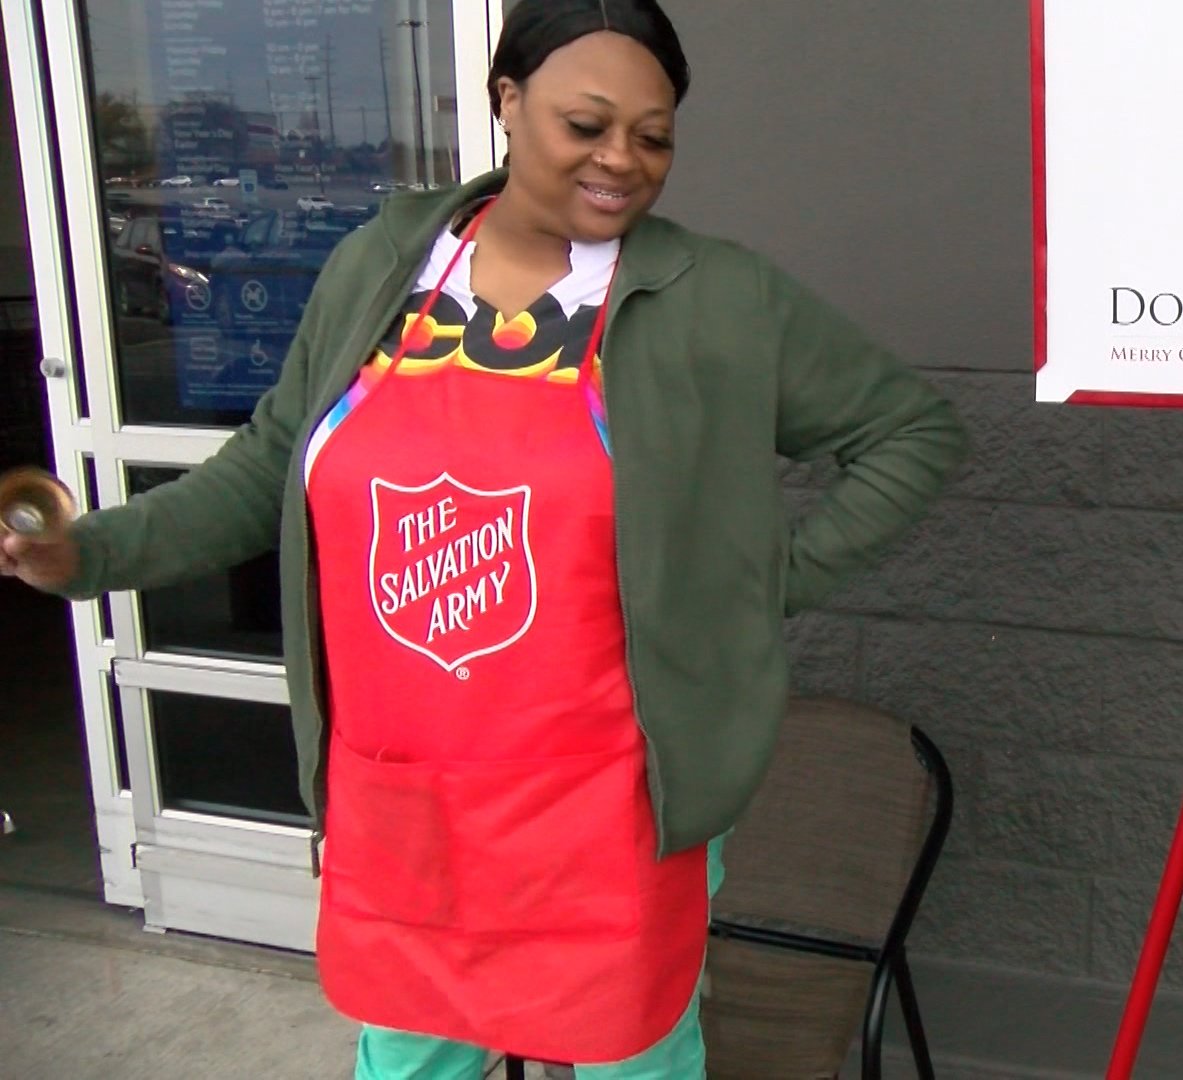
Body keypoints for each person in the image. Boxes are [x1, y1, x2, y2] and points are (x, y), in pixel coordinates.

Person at [0, 2, 965, 1077]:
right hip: (406, 792)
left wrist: (758, 585)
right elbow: (274, 461)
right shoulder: (383, 267)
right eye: (586, 124)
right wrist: (90, 553)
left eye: (654, 136)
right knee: (412, 1057)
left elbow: (909, 434)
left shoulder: (718, 298)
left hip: (610, 801)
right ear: (508, 102)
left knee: (629, 1054)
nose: (622, 161)